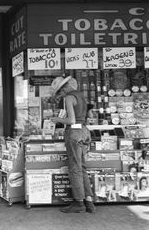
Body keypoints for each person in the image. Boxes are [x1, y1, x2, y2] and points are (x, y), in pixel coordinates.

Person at [50, 75, 95, 213]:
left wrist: (55, 119)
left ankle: (79, 203)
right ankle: (89, 202)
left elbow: (71, 120)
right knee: (82, 167)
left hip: (74, 133)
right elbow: (89, 116)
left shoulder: (69, 97)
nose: (60, 94)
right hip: (84, 131)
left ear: (65, 87)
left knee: (75, 168)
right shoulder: (81, 95)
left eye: (60, 91)